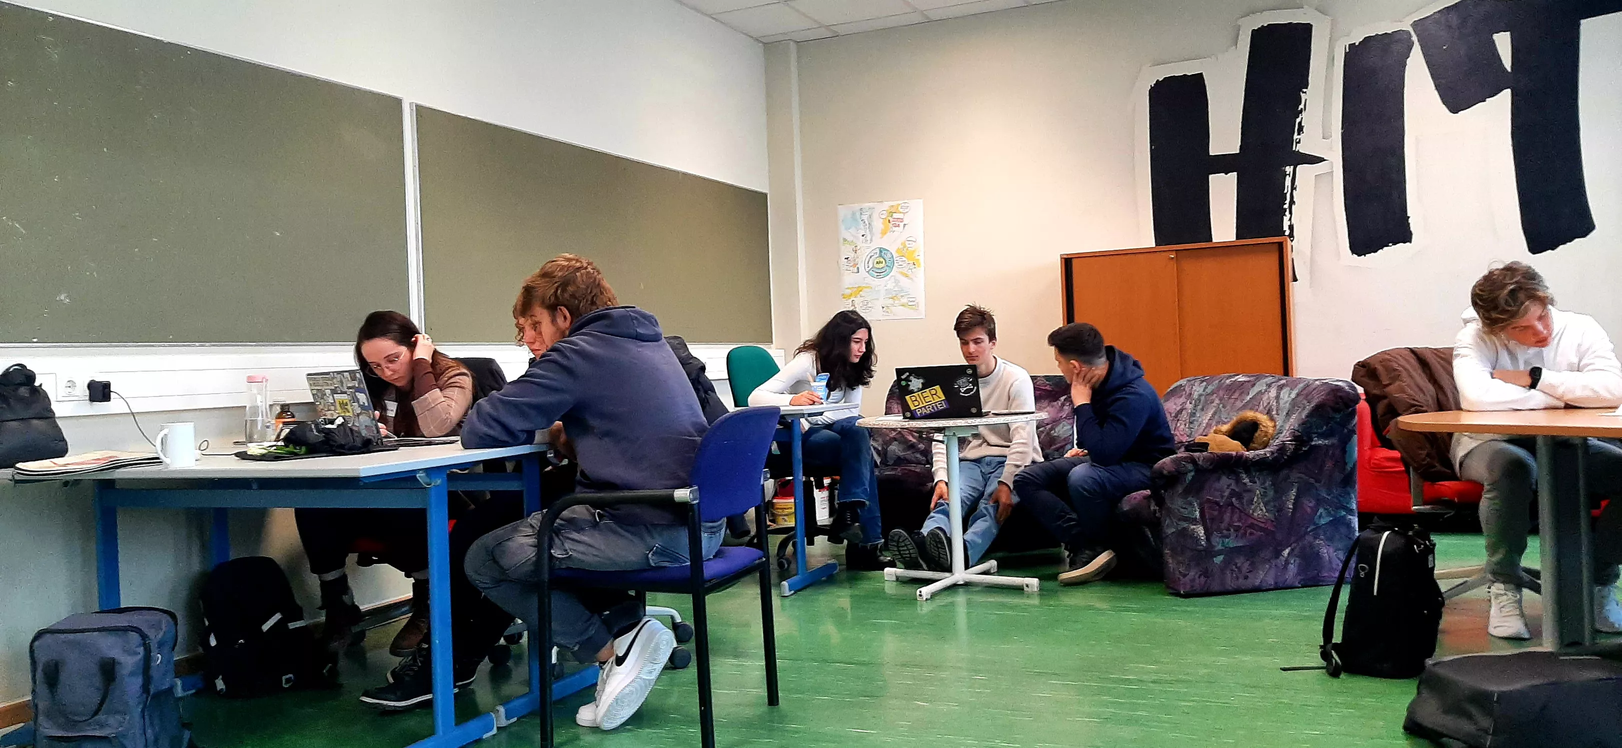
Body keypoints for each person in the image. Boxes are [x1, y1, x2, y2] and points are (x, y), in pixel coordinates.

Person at [364, 254, 717, 731]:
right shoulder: (649, 343)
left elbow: (482, 427)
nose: (530, 336)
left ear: (563, 317)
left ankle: (614, 646)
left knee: (484, 555)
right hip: (693, 519)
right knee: (515, 524)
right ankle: (619, 633)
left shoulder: (578, 354)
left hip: (645, 526)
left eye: (534, 324)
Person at [1452, 262, 1622, 640]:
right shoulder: (1474, 338)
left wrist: (1535, 378)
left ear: (1547, 301)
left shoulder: (1581, 328)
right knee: (1512, 468)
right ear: (1496, 329)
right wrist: (1564, 398)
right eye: (1521, 328)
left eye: (1542, 316)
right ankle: (1505, 585)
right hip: (1487, 440)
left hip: (1566, 442)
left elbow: (1612, 390)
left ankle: (1598, 582)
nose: (1540, 332)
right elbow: (1477, 398)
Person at [295, 311, 473, 656]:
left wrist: (422, 365)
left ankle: (428, 602)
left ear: (416, 345)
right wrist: (362, 434)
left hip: (444, 488)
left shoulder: (455, 376)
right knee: (313, 503)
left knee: (401, 506)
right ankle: (338, 603)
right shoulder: (376, 386)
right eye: (375, 366)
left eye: (393, 359)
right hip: (388, 485)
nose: (386, 371)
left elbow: (438, 425)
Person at [1012, 323, 1174, 586]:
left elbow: (1104, 455)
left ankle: (1098, 548)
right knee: (1028, 478)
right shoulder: (1098, 382)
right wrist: (1088, 446)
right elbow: (1098, 444)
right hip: (1114, 458)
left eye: (1059, 363)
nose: (1059, 369)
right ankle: (1087, 546)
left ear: (1075, 367)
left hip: (1147, 467)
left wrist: (1082, 403)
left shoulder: (1133, 395)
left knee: (1083, 477)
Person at [888, 305, 1039, 571]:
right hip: (972, 460)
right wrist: (941, 478)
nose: (970, 349)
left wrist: (1008, 480)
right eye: (964, 342)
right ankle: (924, 546)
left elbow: (1023, 439)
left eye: (978, 341)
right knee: (949, 501)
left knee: (990, 506)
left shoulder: (1016, 379)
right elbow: (941, 433)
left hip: (1011, 461)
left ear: (992, 342)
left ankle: (962, 555)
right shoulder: (955, 381)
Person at [748, 310, 888, 570]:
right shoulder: (808, 361)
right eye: (856, 342)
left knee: (858, 430)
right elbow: (755, 397)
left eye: (865, 342)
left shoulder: (854, 366)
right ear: (840, 340)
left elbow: (850, 412)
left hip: (819, 428)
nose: (862, 349)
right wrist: (793, 400)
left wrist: (814, 418)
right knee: (859, 452)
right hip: (795, 435)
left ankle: (849, 513)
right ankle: (864, 544)